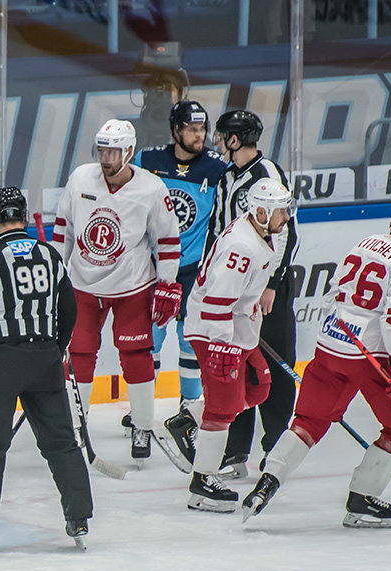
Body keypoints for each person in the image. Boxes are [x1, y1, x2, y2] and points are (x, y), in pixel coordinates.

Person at [243, 200, 391, 528]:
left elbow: (331, 297)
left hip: (331, 342)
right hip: (368, 355)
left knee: (308, 422)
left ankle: (268, 481)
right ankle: (361, 500)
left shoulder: (363, 244)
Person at [0, 187, 92, 556]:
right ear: (24, 218)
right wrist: (55, 348)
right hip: (45, 358)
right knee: (60, 440)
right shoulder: (50, 255)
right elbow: (70, 309)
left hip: (3, 361)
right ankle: (79, 516)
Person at [52, 119, 182, 465]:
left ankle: (141, 426)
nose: (106, 158)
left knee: (136, 354)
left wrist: (167, 284)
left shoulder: (152, 189)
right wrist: (54, 275)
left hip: (132, 285)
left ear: (129, 152)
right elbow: (63, 229)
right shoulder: (81, 178)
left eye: (113, 151)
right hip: (82, 283)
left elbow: (167, 242)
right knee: (79, 355)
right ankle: (77, 427)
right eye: (102, 150)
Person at [182, 178, 295, 512]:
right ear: (261, 211)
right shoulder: (241, 247)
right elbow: (216, 301)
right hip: (214, 331)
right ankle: (202, 482)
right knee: (224, 406)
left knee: (258, 388)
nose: (286, 217)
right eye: (281, 211)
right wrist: (221, 347)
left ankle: (187, 419)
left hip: (238, 328)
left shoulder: (259, 232)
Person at [201, 109, 300, 479]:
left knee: (274, 367)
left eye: (223, 135)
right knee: (236, 362)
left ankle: (275, 447)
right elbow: (216, 229)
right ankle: (234, 451)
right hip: (237, 283)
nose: (218, 140)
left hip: (266, 284)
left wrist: (271, 283)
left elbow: (287, 233)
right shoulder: (226, 176)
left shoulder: (268, 175)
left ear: (235, 139)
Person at [125, 100, 229, 440]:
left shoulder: (217, 168)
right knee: (149, 341)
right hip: (152, 266)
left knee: (189, 340)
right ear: (175, 131)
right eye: (192, 129)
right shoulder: (148, 160)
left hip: (193, 268)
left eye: (202, 129)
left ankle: (189, 407)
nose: (199, 135)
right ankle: (141, 411)